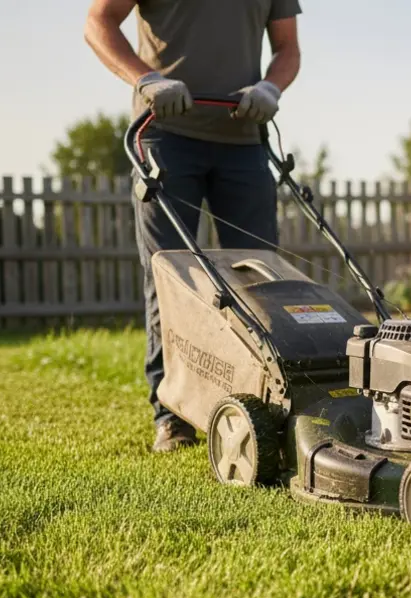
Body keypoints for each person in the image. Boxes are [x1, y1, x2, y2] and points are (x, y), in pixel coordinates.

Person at [84, 0, 302, 452]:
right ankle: (173, 417)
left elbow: (287, 49)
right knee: (172, 277)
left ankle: (268, 406)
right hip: (165, 135)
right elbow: (98, 23)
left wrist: (270, 88)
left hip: (244, 139)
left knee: (260, 279)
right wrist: (147, 79)